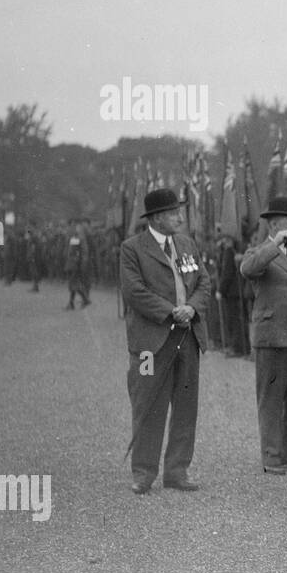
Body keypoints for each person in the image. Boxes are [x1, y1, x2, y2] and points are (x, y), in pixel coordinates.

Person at [119, 188, 212, 494]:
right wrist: (171, 311)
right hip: (151, 342)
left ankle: (177, 471)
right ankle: (144, 472)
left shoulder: (186, 244)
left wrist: (192, 307)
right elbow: (134, 292)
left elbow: (203, 281)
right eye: (174, 213)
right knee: (149, 404)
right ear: (157, 217)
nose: (180, 217)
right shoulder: (132, 248)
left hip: (187, 337)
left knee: (186, 406)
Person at [240, 196, 287, 475]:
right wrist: (275, 244)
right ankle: (272, 456)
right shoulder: (259, 251)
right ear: (273, 224)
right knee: (271, 398)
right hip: (273, 335)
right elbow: (248, 269)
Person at [65, 223, 92, 309]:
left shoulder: (77, 238)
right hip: (74, 264)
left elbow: (75, 251)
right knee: (73, 283)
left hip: (74, 264)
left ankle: (83, 300)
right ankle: (73, 302)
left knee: (73, 283)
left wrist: (80, 264)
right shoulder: (75, 238)